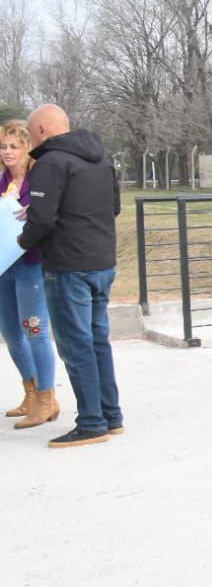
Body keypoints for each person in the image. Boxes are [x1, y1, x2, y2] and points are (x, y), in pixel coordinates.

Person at [17, 104, 122, 448]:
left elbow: (43, 221)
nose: (31, 139)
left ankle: (91, 423)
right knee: (96, 341)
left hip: (68, 268)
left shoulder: (50, 162)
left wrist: (20, 241)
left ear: (44, 129)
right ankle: (111, 416)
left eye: (32, 132)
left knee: (76, 347)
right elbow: (113, 207)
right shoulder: (102, 160)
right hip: (102, 263)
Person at [0, 120, 59, 430]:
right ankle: (31, 392)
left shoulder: (38, 180)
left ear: (27, 149)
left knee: (34, 330)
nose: (7, 152)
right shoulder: (0, 181)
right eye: (3, 146)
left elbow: (47, 216)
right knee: (11, 333)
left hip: (31, 264)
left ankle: (48, 400)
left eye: (14, 146)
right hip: (3, 267)